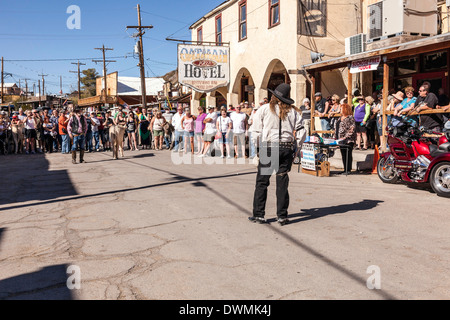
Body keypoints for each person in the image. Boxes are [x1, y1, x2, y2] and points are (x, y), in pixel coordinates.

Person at [249, 83, 303, 226]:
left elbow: (256, 132)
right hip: (286, 148)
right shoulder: (293, 112)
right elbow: (302, 131)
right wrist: (297, 148)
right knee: (282, 183)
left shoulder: (264, 109)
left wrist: (258, 149)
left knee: (262, 182)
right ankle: (282, 216)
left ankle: (259, 215)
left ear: (273, 96)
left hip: (270, 147)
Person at [334, 104, 357, 174]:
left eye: (341, 109)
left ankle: (348, 169)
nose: (339, 110)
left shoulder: (350, 118)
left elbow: (352, 129)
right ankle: (345, 169)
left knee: (348, 154)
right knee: (343, 154)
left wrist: (345, 137)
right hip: (340, 140)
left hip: (348, 140)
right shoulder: (340, 118)